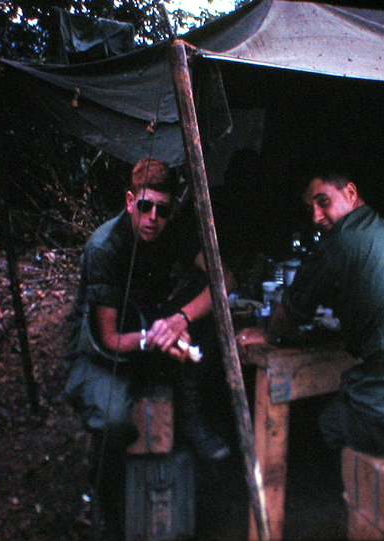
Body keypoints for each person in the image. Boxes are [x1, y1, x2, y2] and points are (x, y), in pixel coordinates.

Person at [237, 172, 384, 456]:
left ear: (351, 193)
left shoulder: (336, 245)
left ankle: (355, 494)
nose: (316, 216)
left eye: (323, 201)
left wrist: (268, 333)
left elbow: (287, 318)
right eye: (310, 208)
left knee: (329, 423)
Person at [64, 157, 236, 538]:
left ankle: (192, 417)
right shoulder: (105, 247)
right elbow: (108, 338)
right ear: (130, 201)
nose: (153, 217)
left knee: (208, 318)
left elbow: (224, 277)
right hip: (103, 349)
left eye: (162, 209)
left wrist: (180, 321)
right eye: (145, 206)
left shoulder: (172, 230)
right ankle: (102, 502)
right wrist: (156, 340)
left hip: (151, 326)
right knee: (112, 421)